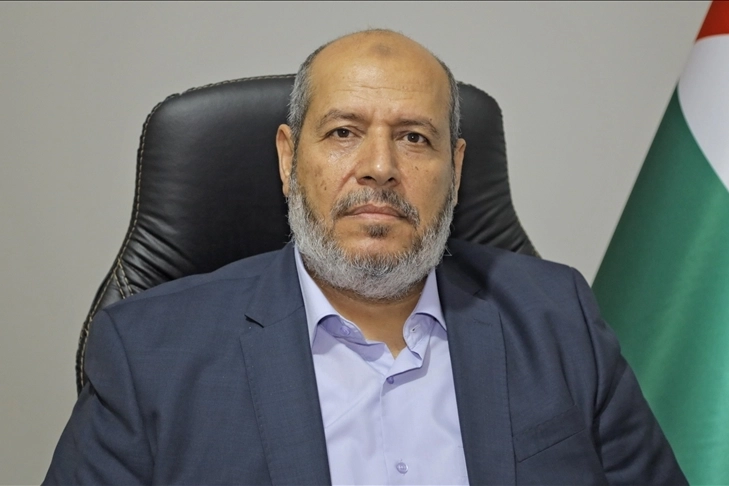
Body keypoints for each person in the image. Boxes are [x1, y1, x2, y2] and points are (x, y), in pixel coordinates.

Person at [44, 29, 687, 485]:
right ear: (287, 159)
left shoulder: (558, 318)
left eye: (415, 138)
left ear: (456, 168)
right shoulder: (150, 352)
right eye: (344, 132)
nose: (379, 167)